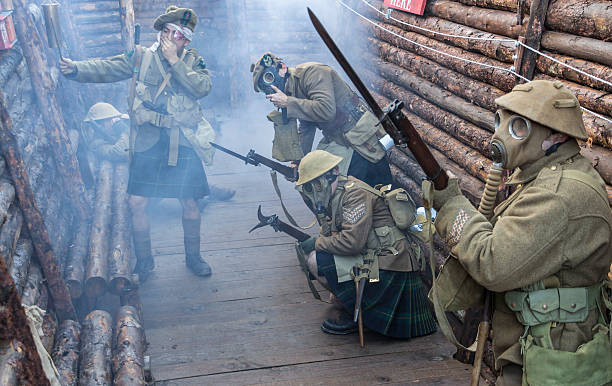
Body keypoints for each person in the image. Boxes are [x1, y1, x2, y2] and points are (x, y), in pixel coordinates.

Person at [431, 80, 612, 385]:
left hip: (554, 361)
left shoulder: (559, 194)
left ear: (557, 135)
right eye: (500, 121)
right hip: (540, 346)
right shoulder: (545, 174)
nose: (500, 135)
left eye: (518, 128)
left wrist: (451, 205)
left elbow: (494, 263)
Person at [60, 6, 215, 279]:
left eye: (176, 34)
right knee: (136, 203)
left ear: (186, 40)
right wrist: (76, 69)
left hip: (182, 141)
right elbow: (109, 67)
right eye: (166, 31)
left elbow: (202, 88)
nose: (168, 38)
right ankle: (145, 262)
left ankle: (194, 257)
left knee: (190, 203)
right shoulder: (141, 56)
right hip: (147, 141)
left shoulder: (193, 62)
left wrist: (175, 63)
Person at [295, 150, 436, 338]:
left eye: (317, 184)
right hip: (376, 256)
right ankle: (353, 304)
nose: (315, 192)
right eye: (309, 187)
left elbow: (351, 243)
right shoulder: (336, 193)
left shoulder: (355, 194)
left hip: (392, 265)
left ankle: (364, 312)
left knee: (316, 260)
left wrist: (319, 243)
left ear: (334, 172)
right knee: (317, 259)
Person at [251, 53, 393, 187]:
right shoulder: (292, 91)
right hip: (339, 139)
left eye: (270, 77)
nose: (271, 87)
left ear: (282, 67)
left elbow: (326, 110)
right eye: (265, 88)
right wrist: (298, 162)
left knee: (373, 192)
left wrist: (288, 102)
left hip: (360, 136)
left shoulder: (312, 73)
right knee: (320, 180)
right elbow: (306, 126)